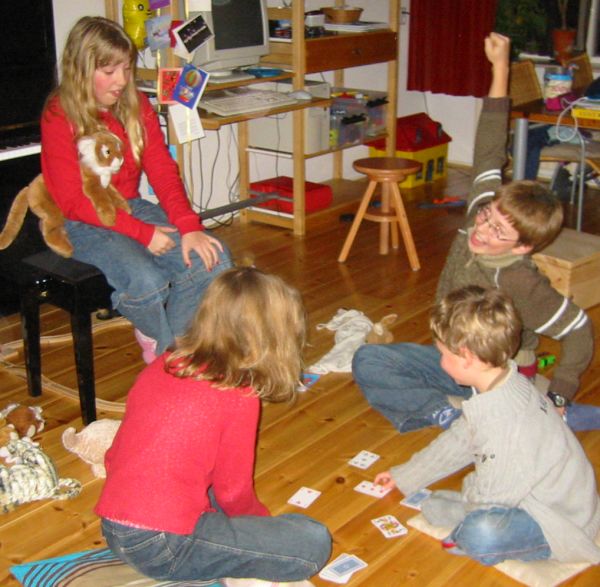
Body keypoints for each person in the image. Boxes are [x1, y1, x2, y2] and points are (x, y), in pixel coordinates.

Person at [353, 32, 600, 433]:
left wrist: (561, 393)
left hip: (497, 375)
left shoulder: (520, 280)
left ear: (523, 246)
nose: (480, 229)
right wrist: (499, 67)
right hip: (453, 359)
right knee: (369, 360)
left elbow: (578, 329)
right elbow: (489, 145)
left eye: (498, 231)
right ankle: (458, 414)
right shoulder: (480, 212)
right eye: (487, 215)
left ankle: (537, 411)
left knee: (530, 417)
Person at [95, 266, 332, 586]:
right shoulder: (238, 395)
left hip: (114, 527)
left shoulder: (163, 364)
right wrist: (258, 531)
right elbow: (233, 492)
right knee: (313, 541)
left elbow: (116, 455)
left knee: (203, 476)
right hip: (162, 547)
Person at [41, 16, 232, 363]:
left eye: (126, 68)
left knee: (213, 260)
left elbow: (161, 169)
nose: (122, 80)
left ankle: (170, 349)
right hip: (81, 221)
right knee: (147, 279)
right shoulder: (59, 114)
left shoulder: (136, 105)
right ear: (81, 70)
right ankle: (167, 355)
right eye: (109, 71)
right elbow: (73, 202)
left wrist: (189, 226)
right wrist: (143, 234)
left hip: (129, 206)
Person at [375, 285, 600, 566]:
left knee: (480, 532)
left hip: (559, 522)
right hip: (552, 497)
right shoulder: (506, 382)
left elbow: (492, 499)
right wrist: (407, 475)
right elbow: (462, 437)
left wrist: (470, 494)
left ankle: (475, 531)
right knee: (441, 506)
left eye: (443, 354)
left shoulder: (503, 424)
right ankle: (462, 515)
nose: (440, 361)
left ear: (467, 357)